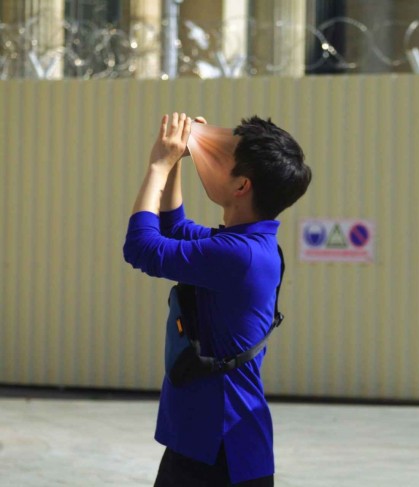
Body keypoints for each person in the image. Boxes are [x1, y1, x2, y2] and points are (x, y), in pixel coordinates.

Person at [123, 112, 312, 486]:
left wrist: (159, 166)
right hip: (204, 439)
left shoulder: (239, 255)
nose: (212, 161)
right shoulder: (241, 246)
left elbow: (141, 247)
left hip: (223, 448)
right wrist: (177, 163)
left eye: (223, 159)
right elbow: (173, 229)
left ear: (242, 186)